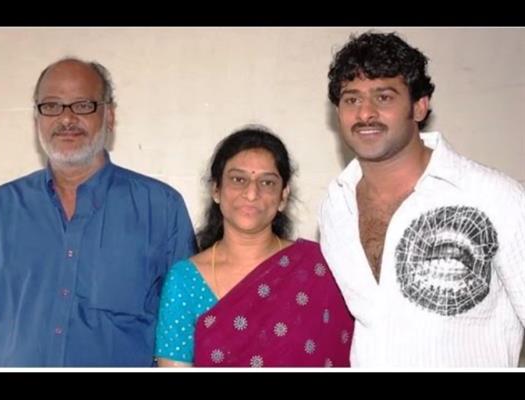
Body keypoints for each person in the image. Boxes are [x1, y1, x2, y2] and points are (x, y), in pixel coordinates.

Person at [318, 31, 525, 367]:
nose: (365, 113)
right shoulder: (335, 206)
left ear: (419, 106)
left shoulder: (496, 198)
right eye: (352, 99)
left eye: (384, 97)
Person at [0, 57, 196, 366]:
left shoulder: (161, 208)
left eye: (83, 105)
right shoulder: (0, 209)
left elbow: (188, 328)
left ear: (109, 116)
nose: (66, 118)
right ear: (36, 119)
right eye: (52, 106)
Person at [155, 126, 353, 367]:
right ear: (216, 190)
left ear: (283, 196)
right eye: (238, 180)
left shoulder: (317, 268)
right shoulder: (185, 279)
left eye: (267, 183)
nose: (251, 193)